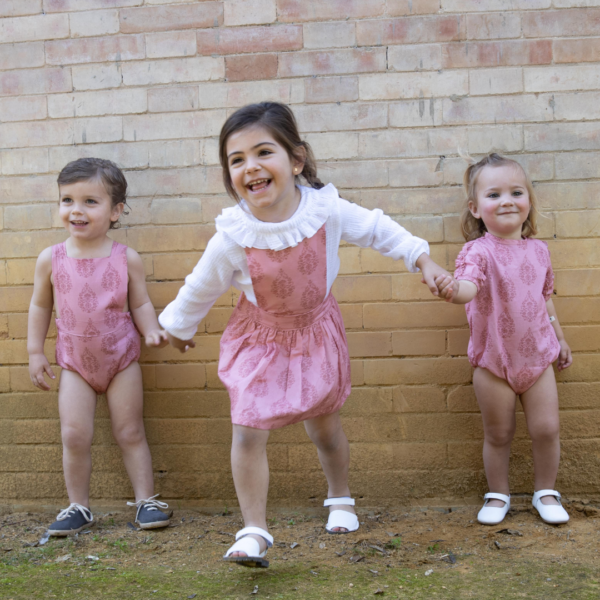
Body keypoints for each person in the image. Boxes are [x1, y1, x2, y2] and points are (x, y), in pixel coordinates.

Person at [158, 102, 449, 567]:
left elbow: (377, 229)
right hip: (260, 340)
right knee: (248, 431)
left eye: (262, 152)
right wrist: (175, 326)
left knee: (326, 428)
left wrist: (422, 259)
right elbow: (202, 284)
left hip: (315, 333)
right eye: (236, 160)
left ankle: (340, 496)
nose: (250, 166)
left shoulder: (325, 210)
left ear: (295, 160)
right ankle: (254, 528)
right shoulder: (233, 234)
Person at [28, 158, 171, 535]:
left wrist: (151, 330)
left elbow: (139, 303)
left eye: (90, 201)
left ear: (115, 211)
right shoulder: (51, 259)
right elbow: (41, 306)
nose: (76, 210)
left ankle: (147, 501)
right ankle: (78, 506)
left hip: (121, 359)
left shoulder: (127, 259)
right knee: (74, 435)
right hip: (74, 363)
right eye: (67, 200)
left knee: (130, 431)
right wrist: (34, 351)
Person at [436, 153, 572, 526]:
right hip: (493, 361)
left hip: (538, 358)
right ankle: (498, 494)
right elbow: (467, 287)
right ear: (475, 208)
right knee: (498, 433)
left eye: (516, 192)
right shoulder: (478, 251)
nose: (507, 200)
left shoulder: (539, 250)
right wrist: (452, 289)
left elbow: (545, 299)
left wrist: (559, 338)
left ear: (528, 200)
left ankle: (546, 491)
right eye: (494, 194)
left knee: (546, 429)